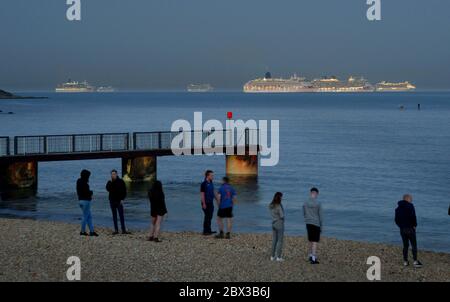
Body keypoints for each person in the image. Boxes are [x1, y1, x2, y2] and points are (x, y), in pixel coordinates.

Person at [395, 194, 423, 267]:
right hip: (410, 228)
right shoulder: (410, 206)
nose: (412, 199)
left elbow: (396, 220)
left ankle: (405, 261)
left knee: (405, 245)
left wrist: (400, 226)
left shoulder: (398, 208)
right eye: (411, 198)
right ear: (407, 198)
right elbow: (413, 216)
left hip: (402, 229)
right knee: (414, 245)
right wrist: (414, 225)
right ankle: (415, 261)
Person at [106, 169, 130, 235]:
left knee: (121, 216)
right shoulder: (110, 182)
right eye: (112, 174)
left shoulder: (121, 181)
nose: (113, 175)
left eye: (114, 174)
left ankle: (123, 230)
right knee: (114, 216)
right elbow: (108, 189)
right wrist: (110, 182)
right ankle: (116, 230)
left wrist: (122, 199)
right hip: (112, 201)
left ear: (116, 174)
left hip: (119, 201)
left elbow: (124, 191)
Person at [303, 187, 323, 264]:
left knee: (310, 240)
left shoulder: (305, 202)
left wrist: (307, 219)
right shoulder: (318, 203)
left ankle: (310, 255)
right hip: (316, 224)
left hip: (308, 223)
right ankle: (313, 259)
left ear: (310, 193)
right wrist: (321, 226)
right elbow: (320, 216)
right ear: (316, 193)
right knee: (315, 241)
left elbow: (304, 213)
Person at [76, 169, 98, 237]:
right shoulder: (85, 184)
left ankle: (92, 231)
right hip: (86, 201)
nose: (89, 177)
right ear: (86, 176)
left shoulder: (78, 181)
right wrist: (91, 192)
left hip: (80, 201)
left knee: (89, 216)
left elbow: (80, 192)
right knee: (85, 217)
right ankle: (82, 231)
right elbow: (87, 193)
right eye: (88, 176)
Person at [200, 170, 217, 235]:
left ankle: (209, 230)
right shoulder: (203, 184)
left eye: (213, 175)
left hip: (211, 202)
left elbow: (213, 192)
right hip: (205, 202)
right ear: (207, 176)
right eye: (211, 175)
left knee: (210, 216)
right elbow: (202, 194)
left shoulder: (211, 182)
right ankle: (205, 231)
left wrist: (217, 200)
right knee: (207, 216)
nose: (213, 177)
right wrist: (204, 203)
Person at [269, 192, 284, 261]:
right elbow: (282, 215)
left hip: (273, 223)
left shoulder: (271, 205)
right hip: (279, 223)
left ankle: (272, 256)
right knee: (280, 241)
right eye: (281, 197)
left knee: (274, 240)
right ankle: (278, 257)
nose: (282, 198)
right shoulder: (278, 205)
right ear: (279, 197)